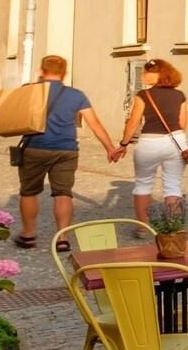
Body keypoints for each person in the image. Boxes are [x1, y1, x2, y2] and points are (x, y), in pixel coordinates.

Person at [15, 55, 122, 249]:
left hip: (36, 147)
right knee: (63, 193)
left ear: (41, 71)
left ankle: (29, 234)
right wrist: (110, 148)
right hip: (66, 150)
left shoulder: (30, 91)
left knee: (28, 192)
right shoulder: (76, 95)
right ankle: (63, 239)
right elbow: (94, 123)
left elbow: (14, 117)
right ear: (64, 74)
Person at [119, 59, 188, 231]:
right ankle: (174, 227)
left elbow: (133, 122)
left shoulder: (143, 96)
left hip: (149, 143)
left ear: (160, 74)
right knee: (173, 184)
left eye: (148, 72)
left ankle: (143, 228)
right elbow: (183, 123)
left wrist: (123, 143)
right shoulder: (180, 95)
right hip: (176, 141)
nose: (144, 75)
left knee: (143, 183)